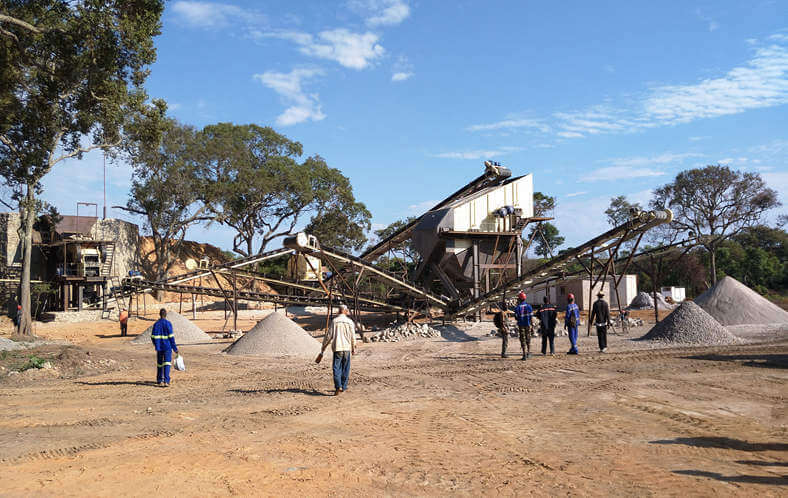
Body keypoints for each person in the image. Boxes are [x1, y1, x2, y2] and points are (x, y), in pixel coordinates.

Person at [317, 304, 357, 395]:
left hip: (337, 348)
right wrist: (353, 347)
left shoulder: (335, 321)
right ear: (345, 311)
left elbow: (328, 336)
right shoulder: (350, 322)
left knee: (336, 368)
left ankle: (338, 386)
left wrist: (323, 348)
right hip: (347, 348)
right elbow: (353, 336)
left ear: (339, 311)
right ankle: (343, 386)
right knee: (346, 368)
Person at [151, 308, 178, 387]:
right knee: (167, 363)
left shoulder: (156, 324)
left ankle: (159, 380)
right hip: (167, 347)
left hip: (159, 347)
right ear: (166, 315)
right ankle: (166, 380)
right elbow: (171, 337)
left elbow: (152, 336)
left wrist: (156, 344)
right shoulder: (168, 323)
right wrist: (175, 348)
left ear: (159, 314)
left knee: (159, 364)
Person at [513, 291, 533, 360]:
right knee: (528, 338)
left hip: (521, 325)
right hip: (528, 324)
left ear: (520, 299)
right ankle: (529, 353)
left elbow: (516, 317)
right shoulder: (529, 306)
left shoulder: (517, 308)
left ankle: (524, 354)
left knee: (523, 339)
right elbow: (531, 317)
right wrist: (532, 326)